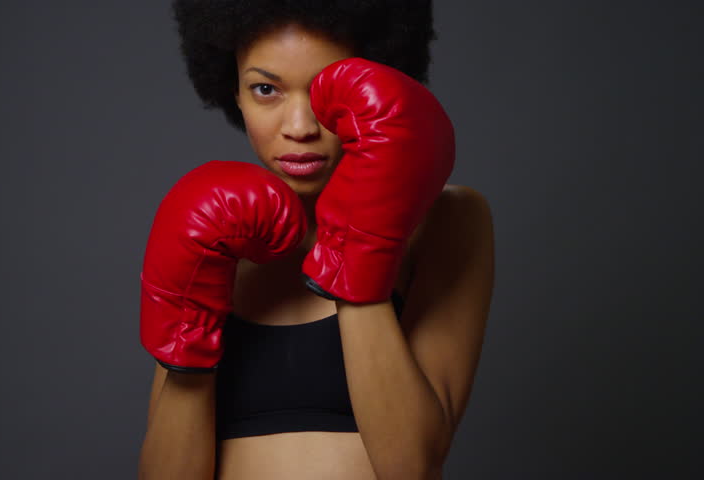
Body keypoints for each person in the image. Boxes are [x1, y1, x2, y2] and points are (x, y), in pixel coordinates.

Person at [138, 1, 495, 478]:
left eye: (330, 89)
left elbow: (412, 466)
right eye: (266, 89)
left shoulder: (449, 219)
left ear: (376, 84)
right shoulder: (211, 231)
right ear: (235, 92)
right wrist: (188, 342)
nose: (301, 126)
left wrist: (358, 246)